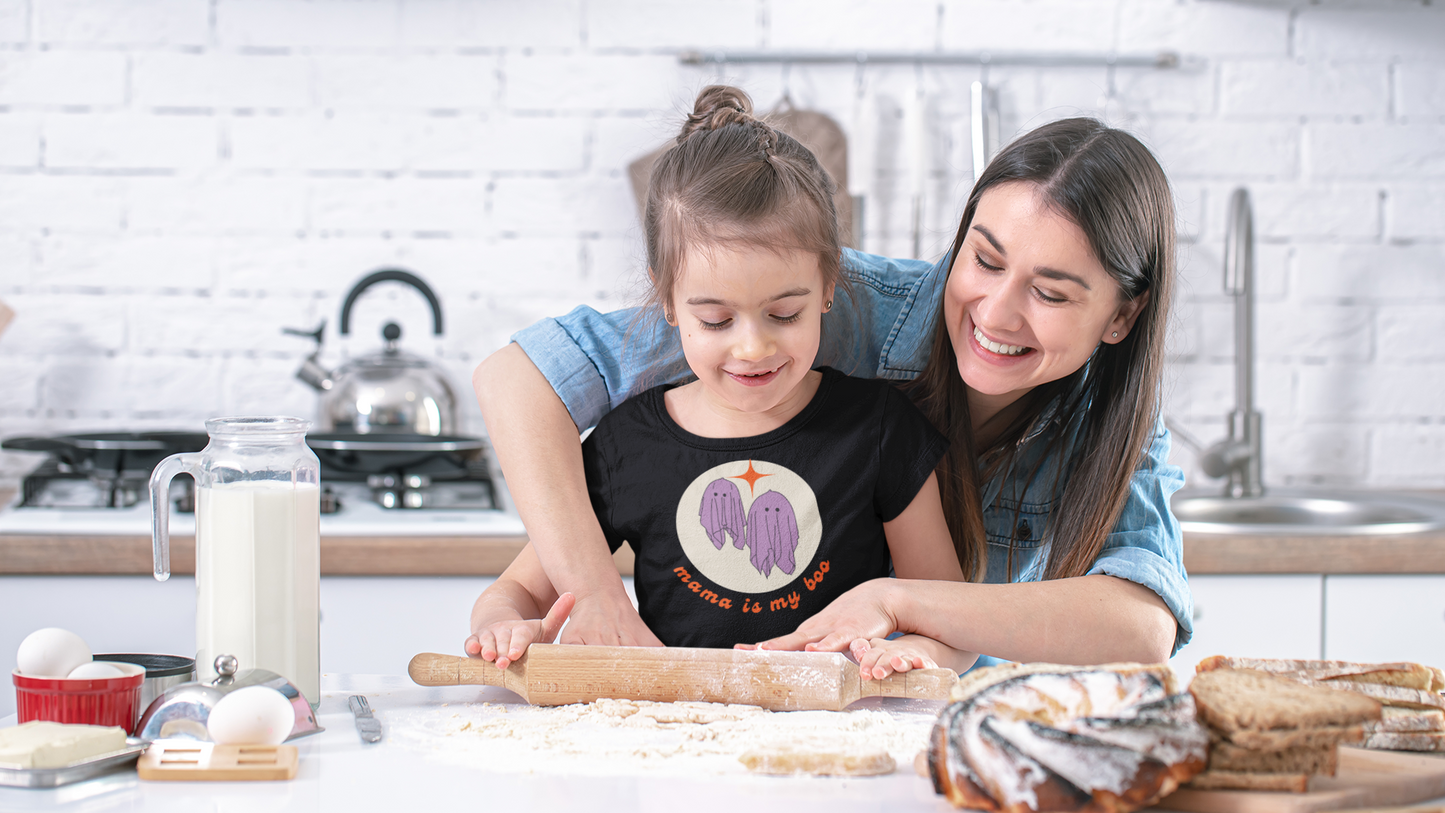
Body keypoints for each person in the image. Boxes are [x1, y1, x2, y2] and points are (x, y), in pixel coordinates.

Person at [472, 108, 1190, 673]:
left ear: (1122, 314)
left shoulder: (1113, 419)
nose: (996, 313)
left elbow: (1142, 624)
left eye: (1050, 293)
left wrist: (899, 603)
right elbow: (514, 376)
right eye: (984, 259)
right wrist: (595, 594)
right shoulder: (815, 305)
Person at [465, 86, 969, 677]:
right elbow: (512, 596)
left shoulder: (881, 428)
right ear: (668, 300)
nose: (752, 347)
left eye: (784, 314)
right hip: (674, 743)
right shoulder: (627, 442)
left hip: (835, 741)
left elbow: (950, 619)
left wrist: (916, 655)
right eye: (716, 319)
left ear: (831, 283)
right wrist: (501, 629)